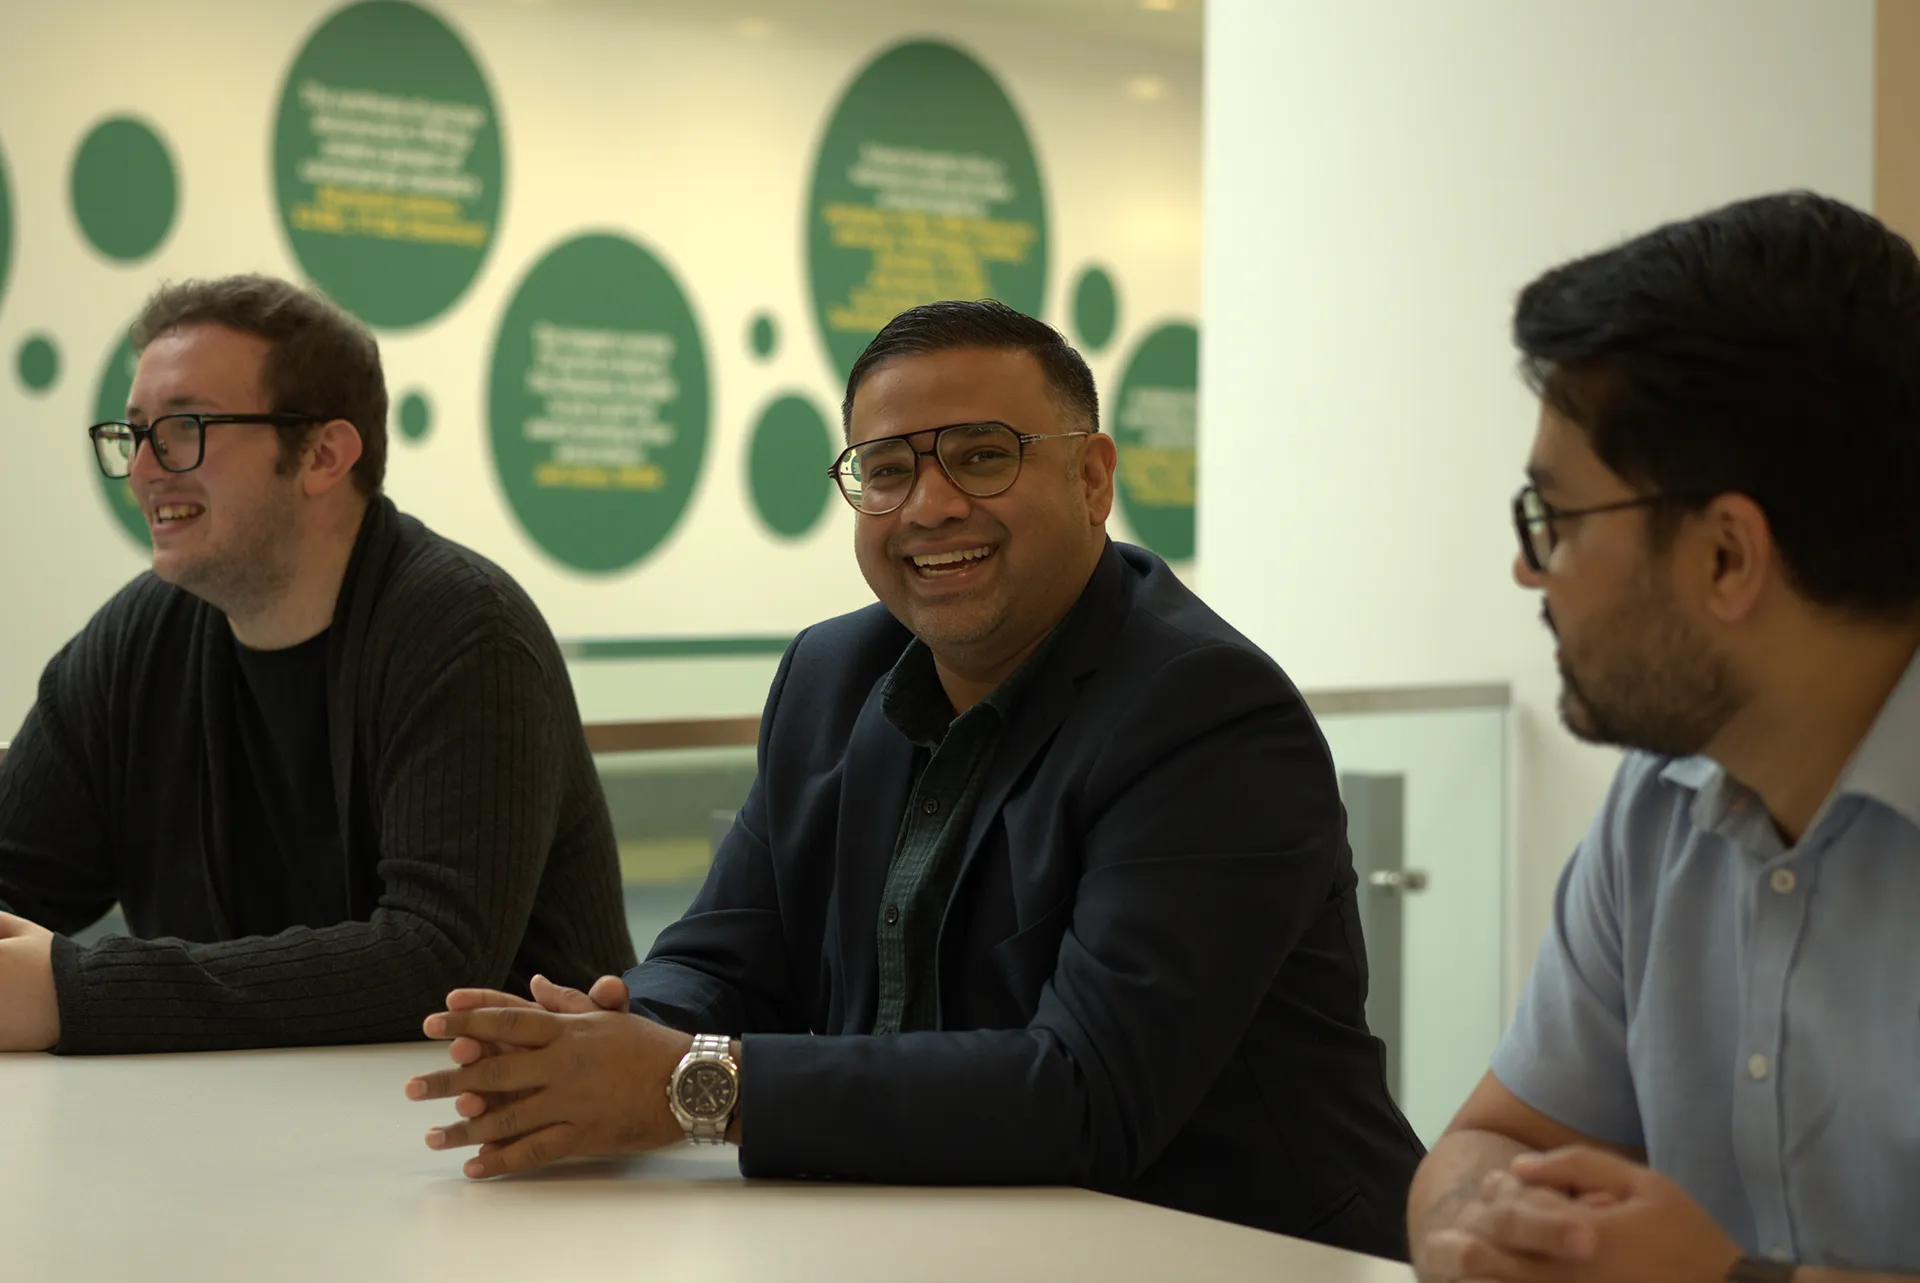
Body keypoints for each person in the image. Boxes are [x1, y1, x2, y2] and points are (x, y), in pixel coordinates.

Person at [406, 299, 1425, 1258]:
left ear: (1093, 478)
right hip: (935, 1238)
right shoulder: (828, 675)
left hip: (1231, 1251)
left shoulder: (1205, 712)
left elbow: (1084, 1090)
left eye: (984, 456)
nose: (931, 506)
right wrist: (610, 1031)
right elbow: (728, 957)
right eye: (885, 468)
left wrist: (691, 1082)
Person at [1407, 192, 1920, 1282]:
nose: (1528, 569)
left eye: (1557, 519)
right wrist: (1478, 1229)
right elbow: (1497, 1136)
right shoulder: (1664, 796)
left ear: (1728, 556)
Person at [0, 274, 636, 1055]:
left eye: (185, 427)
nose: (144, 469)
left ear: (324, 455)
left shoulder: (467, 633)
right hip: (231, 1133)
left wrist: (74, 993)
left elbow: (432, 961)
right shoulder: (136, 642)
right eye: (134, 434)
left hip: (487, 1151)